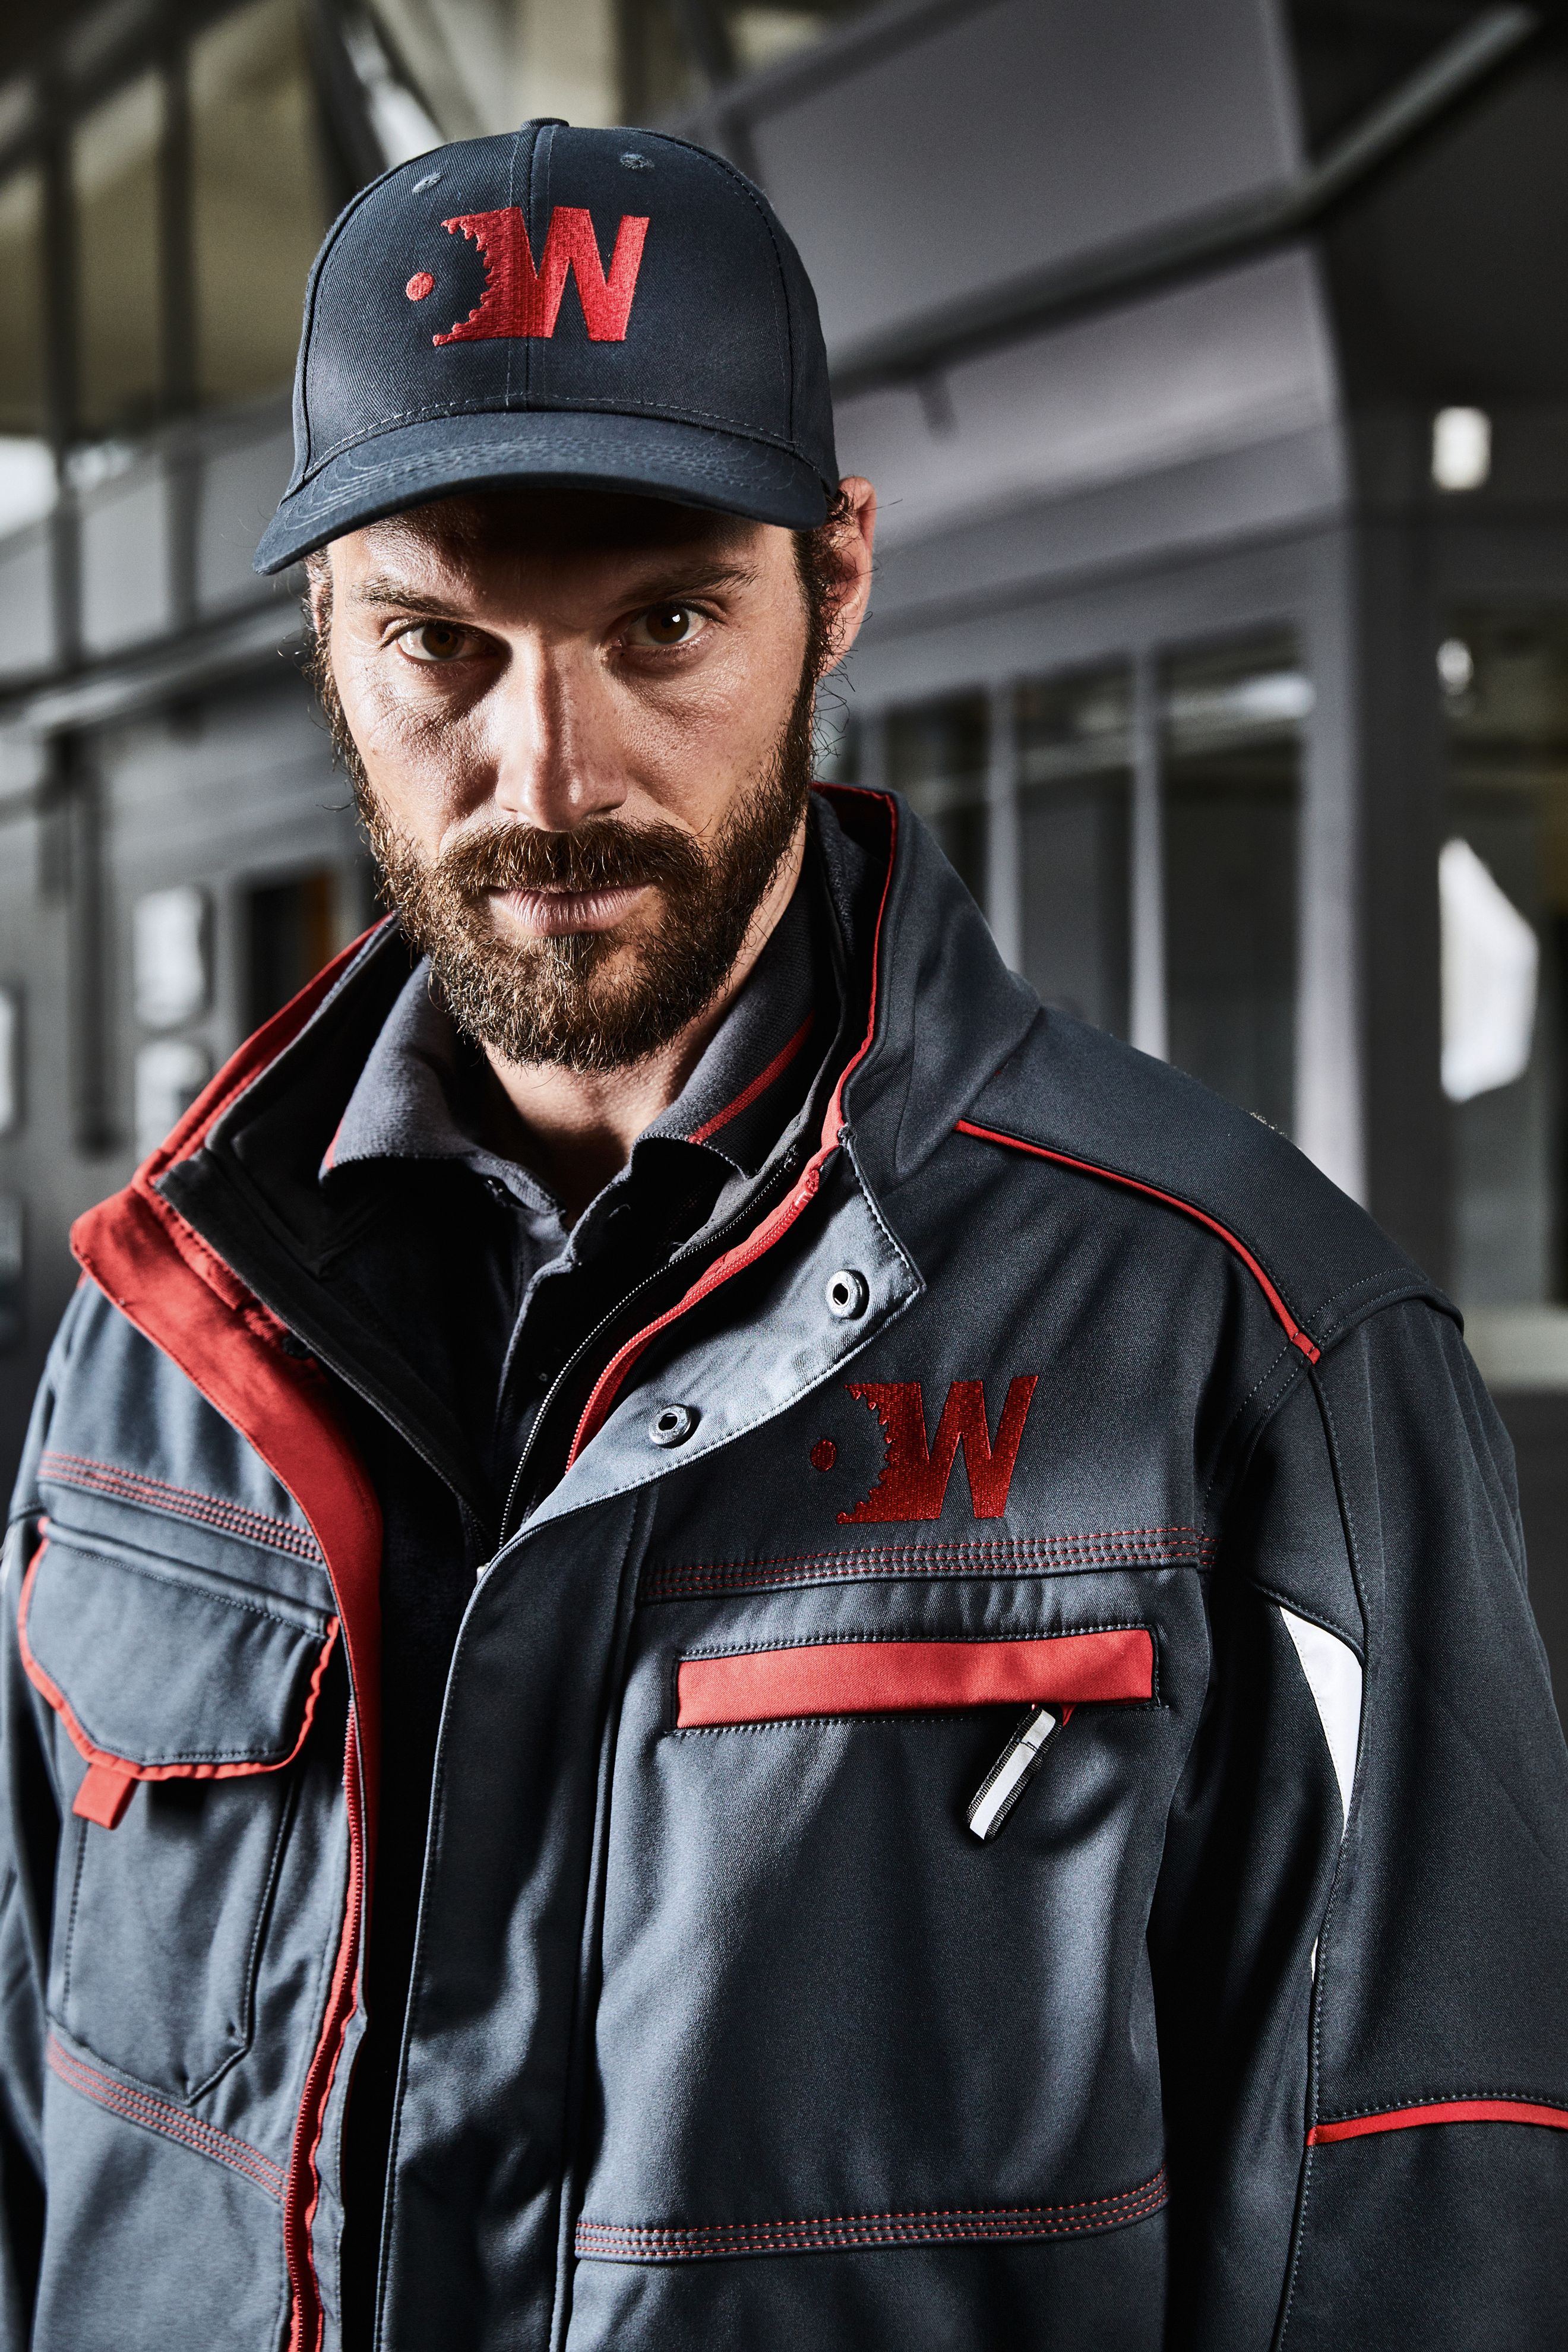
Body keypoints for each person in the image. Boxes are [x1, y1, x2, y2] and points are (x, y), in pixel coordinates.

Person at [2, 118, 1564, 2352]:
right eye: (441, 645)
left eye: (663, 625)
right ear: (325, 636)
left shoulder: (1252, 1355)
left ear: (837, 581)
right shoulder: (158, 1337)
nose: (550, 776)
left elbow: (1419, 2246)